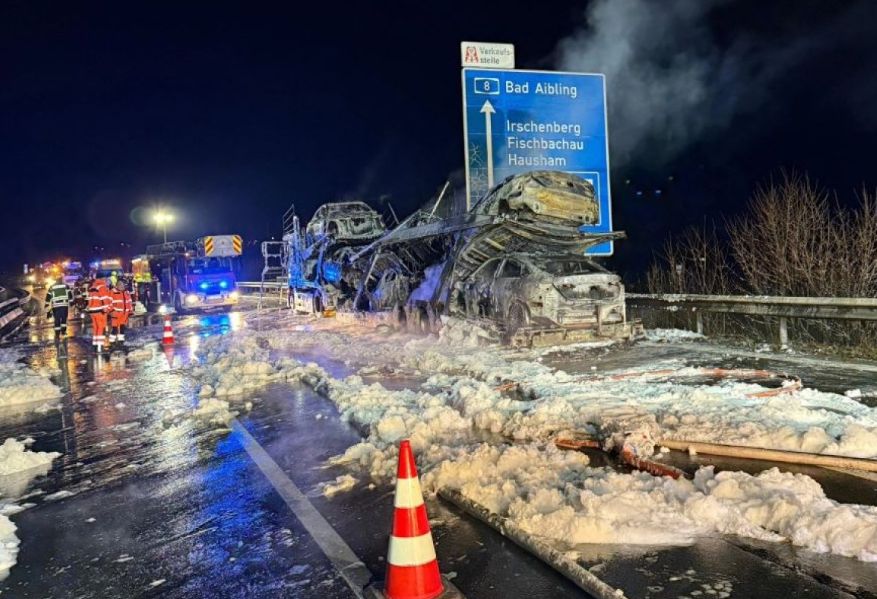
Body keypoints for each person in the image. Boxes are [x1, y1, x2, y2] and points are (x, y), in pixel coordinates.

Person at [86, 278, 112, 352]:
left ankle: (95, 345)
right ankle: (100, 347)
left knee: (96, 328)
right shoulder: (102, 287)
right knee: (101, 328)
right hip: (100, 310)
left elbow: (90, 300)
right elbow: (105, 299)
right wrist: (107, 309)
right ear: (105, 281)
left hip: (92, 311)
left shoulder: (92, 287)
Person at [109, 280, 133, 348]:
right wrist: (111, 311)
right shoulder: (112, 292)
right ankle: (112, 342)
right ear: (117, 285)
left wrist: (130, 311)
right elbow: (109, 302)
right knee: (115, 329)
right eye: (120, 285)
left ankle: (121, 341)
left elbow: (129, 302)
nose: (121, 286)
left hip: (124, 314)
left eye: (122, 285)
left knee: (122, 328)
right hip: (115, 314)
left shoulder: (127, 292)